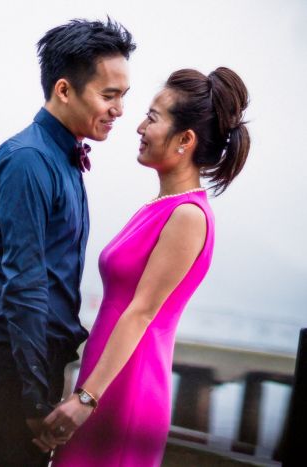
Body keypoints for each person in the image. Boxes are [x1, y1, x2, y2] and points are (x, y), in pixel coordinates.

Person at [0, 19, 136, 467]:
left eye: (123, 97)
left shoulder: (63, 159)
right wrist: (35, 402)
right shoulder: (30, 161)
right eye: (108, 96)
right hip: (7, 376)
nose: (119, 110)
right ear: (64, 90)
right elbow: (27, 285)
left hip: (28, 370)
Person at [45, 67, 251, 467]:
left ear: (185, 140)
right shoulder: (158, 208)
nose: (139, 126)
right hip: (104, 381)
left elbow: (141, 312)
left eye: (153, 118)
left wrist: (86, 398)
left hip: (126, 389)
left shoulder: (188, 216)